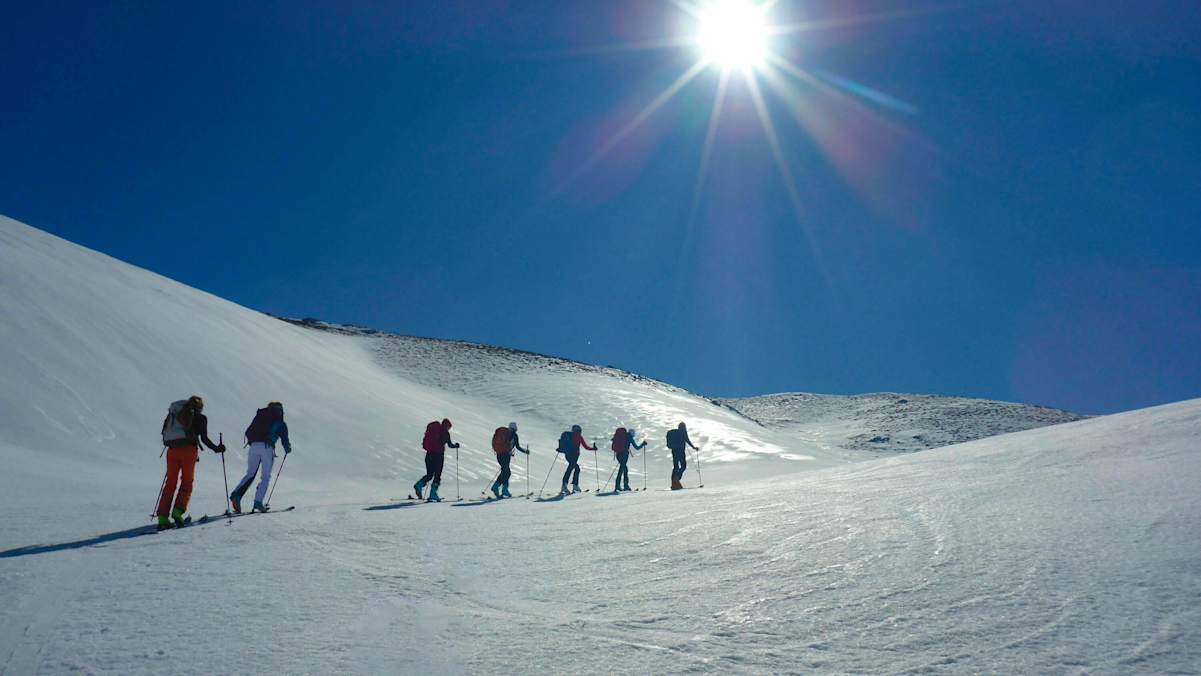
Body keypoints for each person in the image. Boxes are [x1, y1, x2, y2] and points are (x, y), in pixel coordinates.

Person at [157, 396, 225, 530]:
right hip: (189, 451)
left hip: (171, 451)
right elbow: (204, 439)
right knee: (187, 482)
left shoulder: (174, 414)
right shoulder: (200, 418)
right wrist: (217, 448)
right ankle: (177, 511)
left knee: (170, 483)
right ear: (200, 407)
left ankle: (162, 517)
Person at [230, 401, 291, 513]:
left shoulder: (261, 415)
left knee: (250, 473)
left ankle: (236, 495)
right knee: (265, 477)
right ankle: (258, 502)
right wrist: (287, 448)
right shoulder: (281, 422)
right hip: (267, 448)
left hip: (254, 445)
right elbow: (285, 440)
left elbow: (250, 430)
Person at [415, 418, 459, 502]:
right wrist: (456, 445)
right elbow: (450, 445)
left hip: (429, 455)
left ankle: (419, 485)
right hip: (438, 456)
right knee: (437, 475)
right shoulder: (445, 433)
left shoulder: (435, 430)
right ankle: (433, 494)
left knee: (430, 474)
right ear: (447, 426)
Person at [490, 421, 529, 498]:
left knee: (505, 471)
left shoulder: (504, 433)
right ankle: (503, 490)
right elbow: (517, 447)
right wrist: (525, 451)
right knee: (506, 472)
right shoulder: (514, 435)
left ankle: (497, 487)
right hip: (506, 455)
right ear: (515, 428)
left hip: (499, 454)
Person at [559, 424, 595, 494]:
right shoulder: (578, 437)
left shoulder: (569, 436)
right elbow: (586, 446)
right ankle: (569, 486)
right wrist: (593, 449)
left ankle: (568, 485)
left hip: (568, 455)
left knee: (574, 469)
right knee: (572, 469)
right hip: (574, 456)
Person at [611, 427, 646, 492]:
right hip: (624, 454)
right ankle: (623, 486)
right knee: (623, 469)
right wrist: (642, 444)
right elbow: (637, 447)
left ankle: (620, 485)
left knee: (623, 469)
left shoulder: (621, 436)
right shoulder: (629, 437)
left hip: (618, 454)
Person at [666, 422, 698, 490]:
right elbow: (688, 441)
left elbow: (687, 440)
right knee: (683, 466)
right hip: (681, 452)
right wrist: (694, 447)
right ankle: (676, 479)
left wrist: (693, 447)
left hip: (674, 451)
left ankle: (673, 483)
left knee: (676, 467)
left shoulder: (675, 432)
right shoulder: (683, 433)